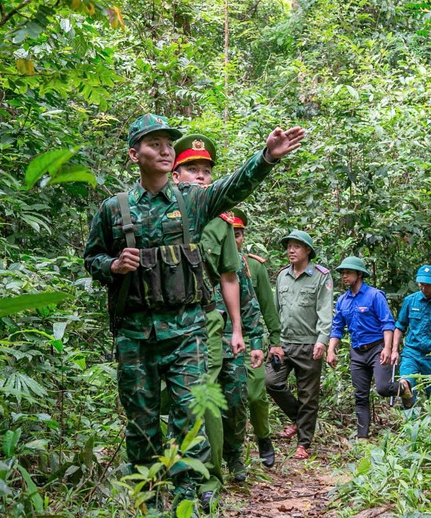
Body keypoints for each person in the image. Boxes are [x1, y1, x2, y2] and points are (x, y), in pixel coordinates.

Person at [83, 113, 304, 508]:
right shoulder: (113, 210)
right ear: (135, 154)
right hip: (135, 334)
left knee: (190, 415)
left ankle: (189, 495)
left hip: (187, 332)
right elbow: (92, 258)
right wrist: (112, 266)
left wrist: (266, 158)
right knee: (143, 422)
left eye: (169, 143)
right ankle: (149, 500)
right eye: (155, 144)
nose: (166, 150)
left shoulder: (192, 201)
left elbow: (233, 186)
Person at [170, 133, 243, 506]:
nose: (200, 176)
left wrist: (236, 329)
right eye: (192, 169)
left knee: (203, 397)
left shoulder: (219, 222)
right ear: (175, 171)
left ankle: (208, 478)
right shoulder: (153, 211)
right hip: (162, 321)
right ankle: (170, 472)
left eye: (206, 171)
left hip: (204, 319)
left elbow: (229, 277)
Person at [266, 230, 332, 459]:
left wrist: (322, 341)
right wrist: (273, 342)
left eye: (296, 246)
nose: (291, 250)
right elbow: (275, 311)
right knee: (271, 382)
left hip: (309, 344)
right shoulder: (283, 276)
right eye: (289, 246)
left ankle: (303, 443)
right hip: (284, 344)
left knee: (308, 395)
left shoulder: (321, 276)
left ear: (308, 251)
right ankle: (298, 419)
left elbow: (325, 311)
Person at [326, 256, 408, 437]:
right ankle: (362, 437)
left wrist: (387, 348)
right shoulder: (342, 300)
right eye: (342, 273)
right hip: (357, 351)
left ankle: (403, 388)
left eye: (348, 272)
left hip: (377, 348)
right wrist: (331, 350)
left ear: (359, 274)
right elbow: (337, 327)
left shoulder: (374, 296)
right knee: (360, 395)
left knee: (383, 388)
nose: (344, 276)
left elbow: (387, 323)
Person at [231, 207, 280, 468]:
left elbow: (266, 306)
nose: (235, 239)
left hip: (251, 338)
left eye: (238, 234)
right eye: (230, 234)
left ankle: (264, 438)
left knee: (255, 394)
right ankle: (233, 452)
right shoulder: (211, 261)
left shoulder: (254, 267)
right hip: (222, 338)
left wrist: (275, 340)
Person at [393, 264, 431, 406]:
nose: (423, 288)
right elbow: (400, 327)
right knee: (406, 384)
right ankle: (410, 422)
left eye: (427, 284)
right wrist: (394, 350)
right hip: (411, 352)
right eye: (421, 284)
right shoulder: (410, 301)